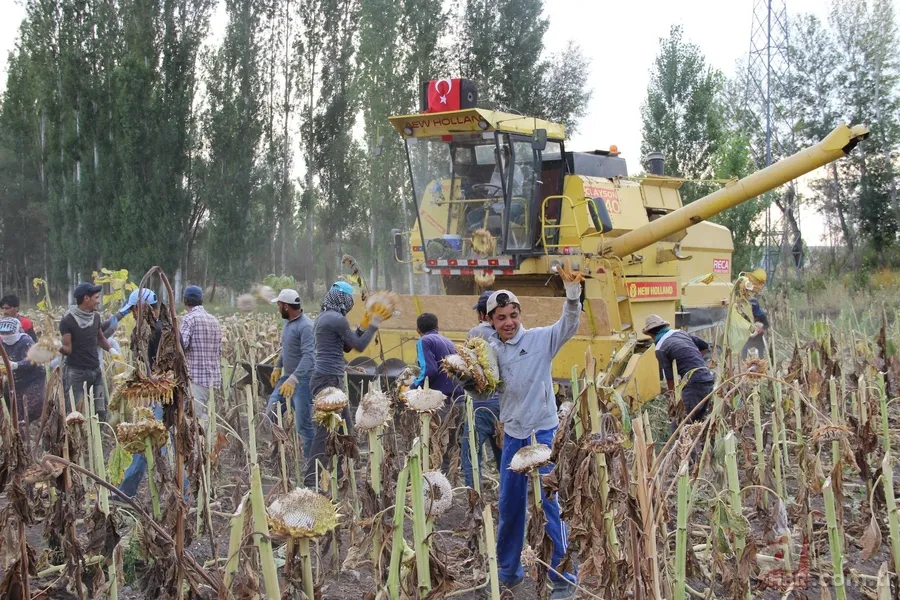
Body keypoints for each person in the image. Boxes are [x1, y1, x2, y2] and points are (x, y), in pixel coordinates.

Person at [488, 280, 581, 599]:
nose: (508, 322)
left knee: (549, 504)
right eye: (501, 317)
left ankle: (563, 577)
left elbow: (567, 325)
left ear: (519, 314)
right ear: (491, 322)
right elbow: (482, 387)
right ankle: (508, 571)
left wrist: (572, 296)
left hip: (543, 432)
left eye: (512, 314)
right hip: (513, 434)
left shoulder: (540, 339)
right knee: (510, 505)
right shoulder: (492, 351)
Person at [304, 282, 391, 486]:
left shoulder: (325, 317)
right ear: (342, 299)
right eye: (349, 300)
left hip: (325, 376)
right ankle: (311, 478)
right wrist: (375, 323)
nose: (351, 304)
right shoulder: (337, 319)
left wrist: (361, 327)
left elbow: (346, 346)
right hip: (329, 378)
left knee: (345, 430)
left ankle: (343, 474)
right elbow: (359, 346)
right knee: (325, 430)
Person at [118, 288, 169, 500]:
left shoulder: (157, 331)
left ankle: (181, 492)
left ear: (142, 308)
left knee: (160, 444)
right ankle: (126, 491)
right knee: (148, 440)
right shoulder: (158, 328)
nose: (131, 314)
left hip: (160, 394)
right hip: (156, 393)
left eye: (133, 309)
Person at [265, 289, 315, 459]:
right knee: (271, 412)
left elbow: (309, 356)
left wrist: (294, 379)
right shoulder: (288, 324)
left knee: (304, 426)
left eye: (279, 305)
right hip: (287, 379)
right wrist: (278, 367)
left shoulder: (306, 326)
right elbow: (286, 350)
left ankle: (312, 463)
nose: (278, 308)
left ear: (286, 306)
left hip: (303, 381)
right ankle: (280, 452)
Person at [411, 313, 463, 470]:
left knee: (436, 445)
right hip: (458, 398)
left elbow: (429, 369)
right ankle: (446, 480)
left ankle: (435, 483)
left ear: (418, 330)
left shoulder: (424, 341)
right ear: (437, 327)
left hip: (442, 402)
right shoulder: (447, 341)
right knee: (450, 447)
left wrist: (413, 387)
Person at [461, 291, 502, 489]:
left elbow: (469, 367)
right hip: (504, 404)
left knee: (471, 452)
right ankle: (509, 496)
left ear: (482, 314)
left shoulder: (475, 333)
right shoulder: (510, 332)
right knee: (504, 452)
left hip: (481, 404)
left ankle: (473, 495)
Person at [643, 314, 715, 424]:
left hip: (693, 384)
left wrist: (673, 399)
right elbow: (705, 346)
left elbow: (670, 377)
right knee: (697, 425)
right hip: (708, 380)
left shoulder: (660, 348)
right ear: (664, 327)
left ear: (650, 334)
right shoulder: (681, 333)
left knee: (679, 424)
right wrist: (694, 361)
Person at [59, 282, 114, 419]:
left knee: (101, 411)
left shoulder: (95, 317)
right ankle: (80, 440)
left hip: (95, 371)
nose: (98, 301)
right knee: (77, 414)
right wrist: (54, 346)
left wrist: (112, 350)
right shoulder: (68, 320)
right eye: (96, 297)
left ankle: (98, 439)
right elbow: (67, 349)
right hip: (76, 373)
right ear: (86, 299)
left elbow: (100, 338)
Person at [180, 285, 222, 425]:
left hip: (195, 382)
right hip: (212, 381)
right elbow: (219, 351)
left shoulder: (189, 319)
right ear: (201, 300)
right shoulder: (214, 320)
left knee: (192, 424)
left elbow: (181, 346)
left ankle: (198, 448)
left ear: (185, 301)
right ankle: (207, 447)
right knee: (206, 423)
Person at [0, 317, 45, 423]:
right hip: (15, 380)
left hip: (32, 379)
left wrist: (16, 365)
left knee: (29, 410)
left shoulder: (25, 341)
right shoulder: (3, 343)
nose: (6, 336)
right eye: (3, 333)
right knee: (15, 409)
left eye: (9, 333)